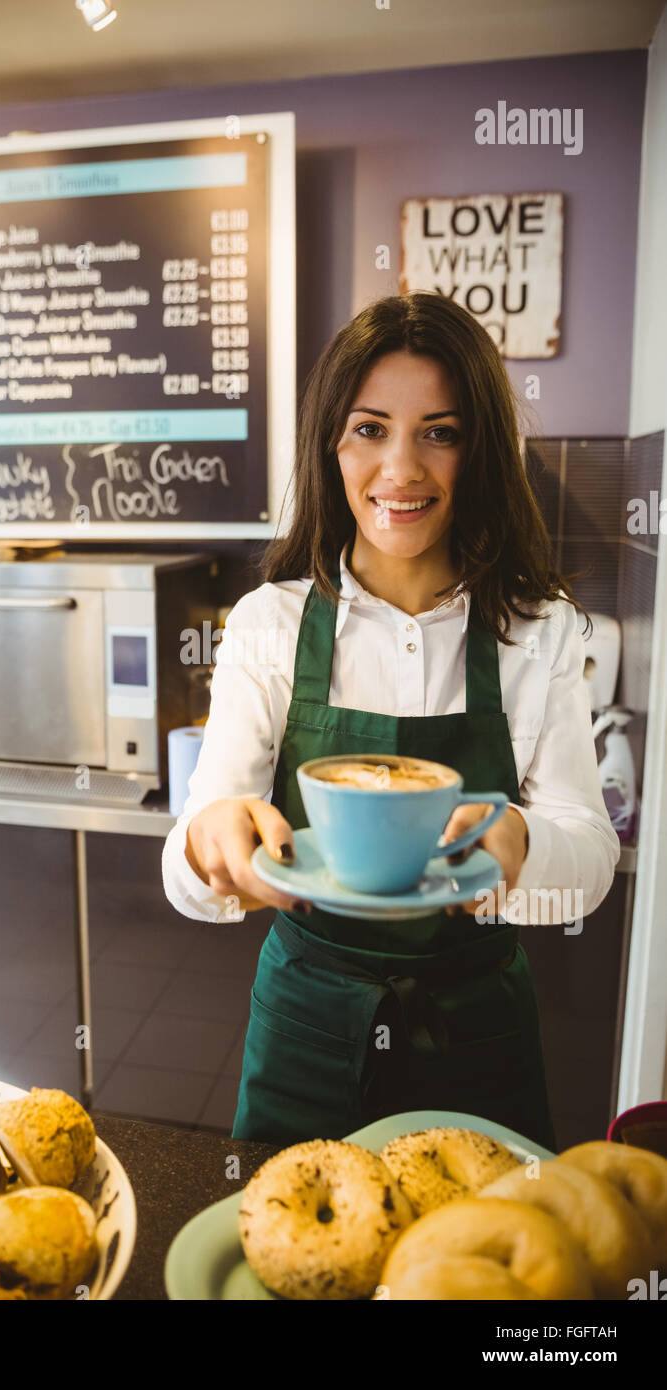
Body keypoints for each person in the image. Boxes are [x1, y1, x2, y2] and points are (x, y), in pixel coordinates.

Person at [161, 292, 620, 1150]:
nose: (401, 469)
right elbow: (187, 869)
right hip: (307, 1029)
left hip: (478, 1034)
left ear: (477, 448)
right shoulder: (271, 623)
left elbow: (588, 863)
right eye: (370, 429)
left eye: (439, 431)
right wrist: (207, 843)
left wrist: (521, 842)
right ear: (331, 444)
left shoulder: (538, 628)